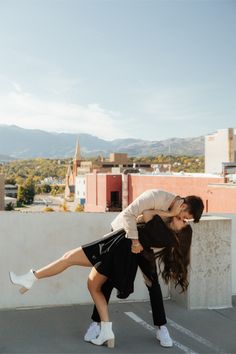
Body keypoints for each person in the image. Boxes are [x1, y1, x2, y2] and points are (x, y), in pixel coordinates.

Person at [9, 201, 194, 348]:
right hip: (125, 245)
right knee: (98, 283)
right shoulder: (168, 225)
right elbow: (144, 217)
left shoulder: (167, 230)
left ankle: (157, 328)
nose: (181, 217)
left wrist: (169, 213)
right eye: (184, 217)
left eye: (184, 220)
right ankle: (101, 326)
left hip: (125, 246)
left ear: (180, 234)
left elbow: (144, 215)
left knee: (79, 267)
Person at [84, 189, 204, 347]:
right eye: (186, 217)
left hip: (144, 247)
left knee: (153, 283)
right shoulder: (158, 198)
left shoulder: (175, 219)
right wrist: (167, 215)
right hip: (127, 240)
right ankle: (96, 324)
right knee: (108, 280)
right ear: (184, 206)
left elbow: (160, 235)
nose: (184, 219)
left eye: (187, 220)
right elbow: (136, 215)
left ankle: (161, 327)